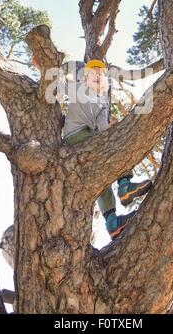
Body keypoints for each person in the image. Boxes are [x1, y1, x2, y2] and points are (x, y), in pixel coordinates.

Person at [62, 59, 151, 240]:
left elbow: (102, 128)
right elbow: (58, 86)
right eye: (93, 73)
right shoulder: (77, 87)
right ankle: (124, 186)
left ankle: (112, 223)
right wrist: (44, 67)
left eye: (101, 74)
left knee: (101, 178)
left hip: (90, 140)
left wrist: (111, 126)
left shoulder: (102, 102)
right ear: (85, 77)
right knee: (111, 147)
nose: (98, 75)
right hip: (75, 137)